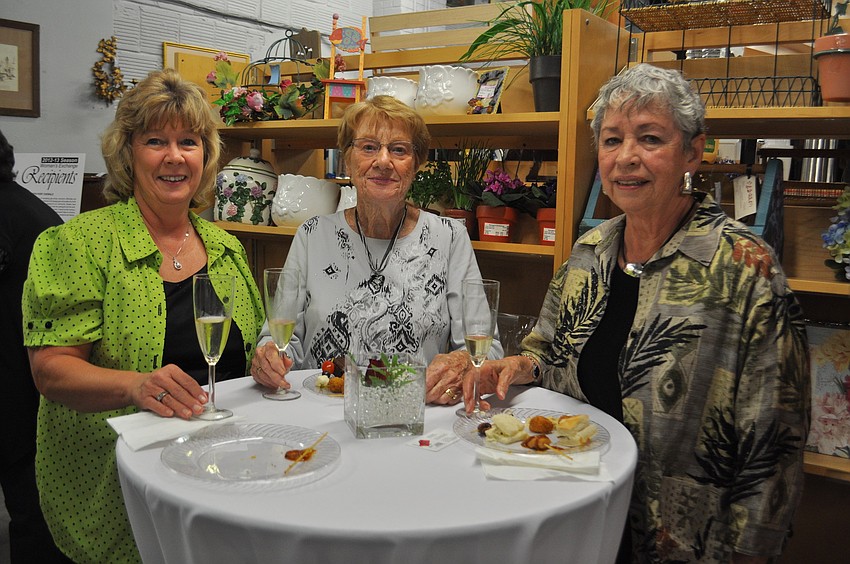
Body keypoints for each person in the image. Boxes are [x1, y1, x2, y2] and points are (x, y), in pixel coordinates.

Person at [464, 64, 810, 563]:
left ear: (693, 151)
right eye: (611, 141)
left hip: (685, 541)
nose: (626, 158)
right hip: (574, 517)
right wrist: (516, 365)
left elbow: (775, 449)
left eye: (650, 138)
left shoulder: (745, 270)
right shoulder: (589, 252)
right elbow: (548, 353)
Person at [22, 69, 265, 563]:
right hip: (118, 481)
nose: (175, 157)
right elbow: (50, 370)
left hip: (219, 469)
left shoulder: (226, 248)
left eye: (189, 142)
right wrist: (134, 385)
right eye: (156, 140)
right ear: (127, 152)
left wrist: (266, 359)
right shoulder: (78, 244)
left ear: (206, 155)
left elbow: (250, 347)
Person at [251, 95, 501, 405]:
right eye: (368, 147)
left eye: (399, 150)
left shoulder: (450, 238)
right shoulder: (312, 236)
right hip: (322, 412)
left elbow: (487, 350)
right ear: (347, 159)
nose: (383, 161)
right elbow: (277, 340)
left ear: (417, 164)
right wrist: (270, 357)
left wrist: (461, 363)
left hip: (416, 416)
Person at [0, 129, 69, 563]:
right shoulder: (33, 210)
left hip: (22, 396)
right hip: (24, 391)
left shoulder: (22, 220)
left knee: (34, 520)